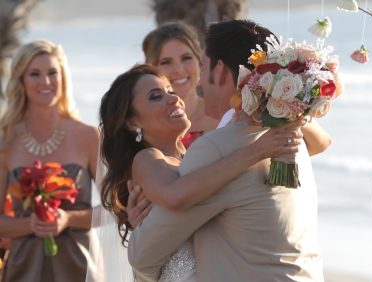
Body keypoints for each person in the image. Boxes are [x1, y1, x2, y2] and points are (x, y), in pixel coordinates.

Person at [128, 19, 326, 281]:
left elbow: (143, 255)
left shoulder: (216, 148)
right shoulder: (291, 137)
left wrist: (143, 224)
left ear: (219, 71)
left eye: (202, 65)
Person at [97, 63, 303, 281]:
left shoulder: (195, 154)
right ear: (132, 121)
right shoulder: (146, 159)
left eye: (170, 91)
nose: (174, 99)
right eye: (156, 96)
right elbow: (175, 196)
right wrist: (257, 150)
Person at [0, 40, 99, 282]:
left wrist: (68, 220)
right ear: (20, 81)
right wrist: (31, 224)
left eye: (52, 73)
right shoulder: (6, 141)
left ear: (63, 77)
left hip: (80, 266)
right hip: (24, 270)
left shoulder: (88, 136)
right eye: (35, 74)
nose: (46, 82)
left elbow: (115, 210)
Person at [142, 22, 218, 147]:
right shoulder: (144, 128)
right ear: (152, 69)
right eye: (166, 62)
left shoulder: (224, 117)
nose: (179, 69)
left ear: (200, 62)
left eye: (186, 58)